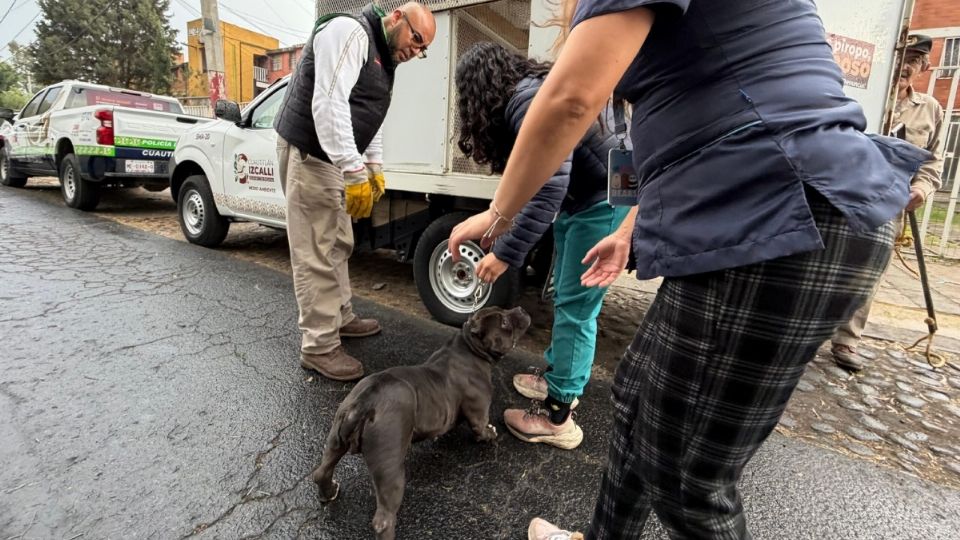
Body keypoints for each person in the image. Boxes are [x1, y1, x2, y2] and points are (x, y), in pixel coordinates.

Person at [447, 1, 930, 539]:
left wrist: (499, 219)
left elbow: (571, 102)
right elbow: (651, 143)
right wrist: (629, 229)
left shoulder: (538, 87)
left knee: (686, 480)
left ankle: (559, 412)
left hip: (773, 208)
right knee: (635, 401)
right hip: (768, 206)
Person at [455, 42, 631, 450]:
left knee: (576, 308)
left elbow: (548, 186)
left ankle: (557, 417)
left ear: (477, 91)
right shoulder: (533, 88)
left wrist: (505, 254)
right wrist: (501, 224)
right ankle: (557, 377)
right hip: (597, 195)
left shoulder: (524, 101)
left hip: (601, 202)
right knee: (567, 299)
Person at [273, 2, 436, 381]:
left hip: (332, 157)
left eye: (423, 48)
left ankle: (340, 316)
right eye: (416, 39)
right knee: (316, 250)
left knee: (340, 240)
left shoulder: (384, 59)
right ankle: (319, 346)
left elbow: (368, 115)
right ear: (397, 17)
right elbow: (328, 103)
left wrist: (373, 165)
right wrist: (353, 167)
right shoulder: (349, 32)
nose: (416, 51)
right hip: (311, 152)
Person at [831, 34, 945, 372]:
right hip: (841, 190)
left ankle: (847, 340)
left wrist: (922, 188)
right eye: (903, 56)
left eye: (915, 60)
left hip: (889, 201)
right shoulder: (863, 92)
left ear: (924, 67)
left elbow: (933, 161)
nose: (906, 65)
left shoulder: (930, 108)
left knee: (868, 273)